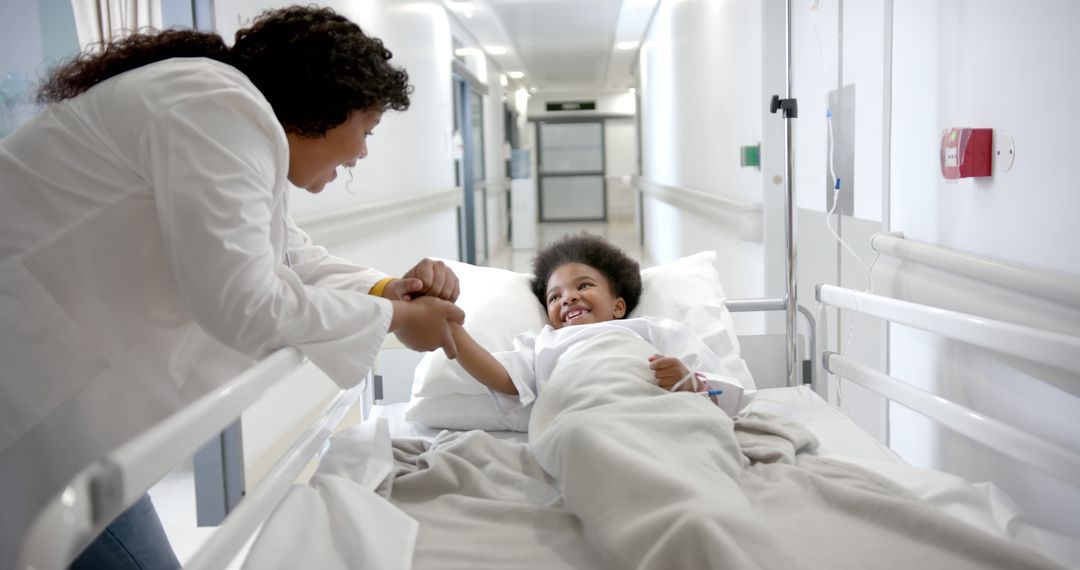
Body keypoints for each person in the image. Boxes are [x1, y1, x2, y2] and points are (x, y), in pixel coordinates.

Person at [0, 6, 464, 569]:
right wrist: (394, 319)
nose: (362, 152)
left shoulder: (224, 114)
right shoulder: (217, 107)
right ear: (327, 106)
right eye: (365, 130)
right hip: (31, 390)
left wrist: (393, 289)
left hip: (58, 397)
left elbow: (290, 256)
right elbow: (243, 302)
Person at [449, 233, 747, 417]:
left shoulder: (652, 330)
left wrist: (690, 383)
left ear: (619, 306)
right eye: (555, 296)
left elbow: (728, 395)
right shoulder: (544, 343)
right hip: (581, 418)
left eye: (584, 285)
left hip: (654, 415)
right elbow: (502, 378)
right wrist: (451, 330)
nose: (568, 298)